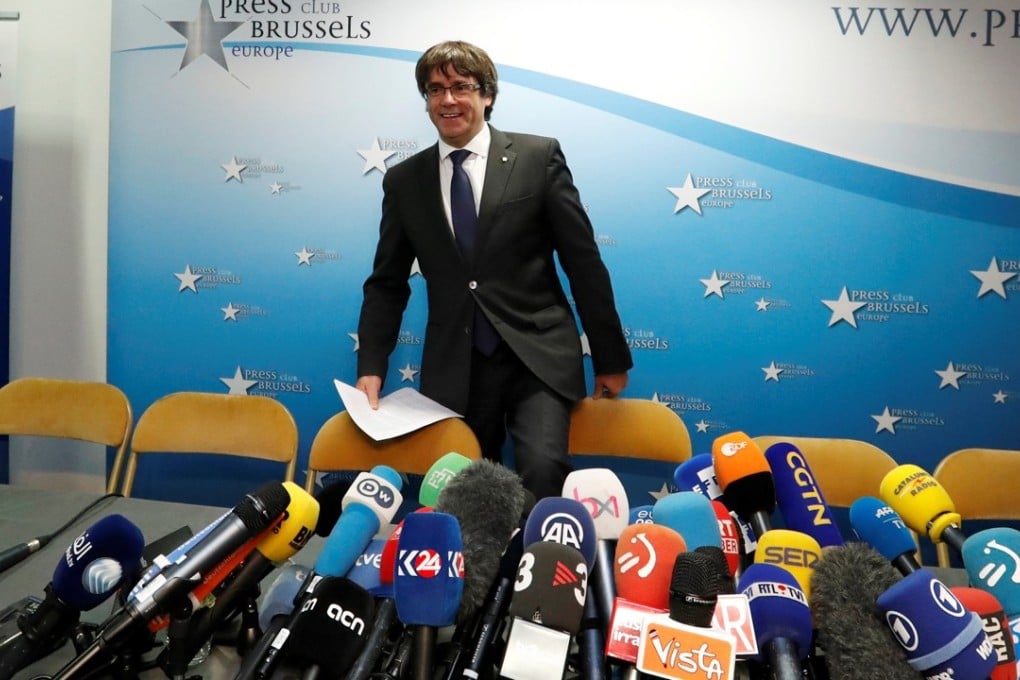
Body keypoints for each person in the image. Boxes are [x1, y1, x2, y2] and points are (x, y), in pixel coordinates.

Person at [355, 40, 632, 499]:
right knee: (465, 491)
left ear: (487, 95)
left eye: (461, 87)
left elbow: (583, 262)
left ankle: (534, 549)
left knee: (542, 470)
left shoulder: (538, 158)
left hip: (537, 357)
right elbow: (387, 283)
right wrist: (371, 365)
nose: (447, 100)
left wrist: (610, 359)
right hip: (456, 365)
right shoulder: (404, 181)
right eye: (435, 90)